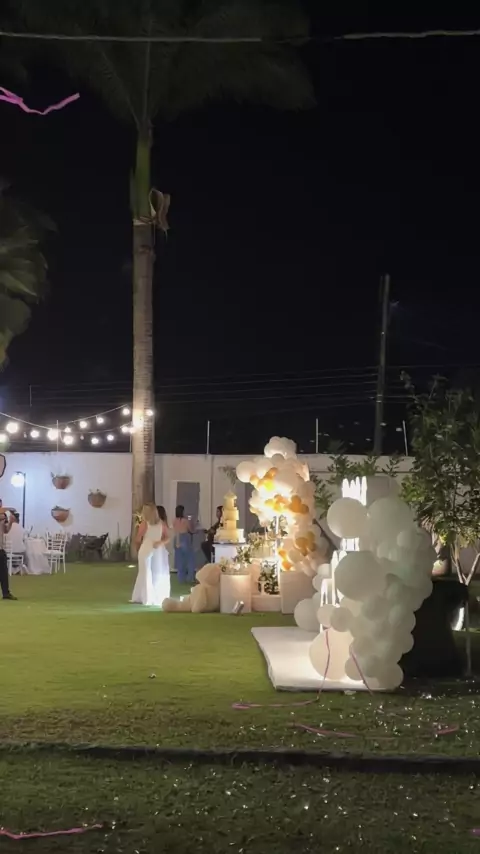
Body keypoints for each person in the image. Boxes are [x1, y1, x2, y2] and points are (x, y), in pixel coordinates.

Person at [130, 503, 170, 607]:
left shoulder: (145, 524)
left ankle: (145, 596)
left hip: (147, 548)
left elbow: (138, 538)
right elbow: (167, 537)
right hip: (157, 549)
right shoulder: (162, 524)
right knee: (155, 571)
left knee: (145, 572)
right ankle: (153, 595)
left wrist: (137, 547)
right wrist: (160, 542)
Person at [173, 504, 195, 583]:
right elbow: (191, 530)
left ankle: (181, 578)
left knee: (179, 559)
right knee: (190, 558)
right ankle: (190, 577)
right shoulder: (185, 521)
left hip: (176, 538)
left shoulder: (174, 520)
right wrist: (192, 523)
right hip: (185, 538)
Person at [0, 501, 17, 600]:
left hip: (1, 548)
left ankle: (6, 593)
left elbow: (6, 530)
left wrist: (10, 522)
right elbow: (4, 514)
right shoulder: (2, 516)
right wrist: (8, 513)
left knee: (3, 572)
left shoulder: (2, 518)